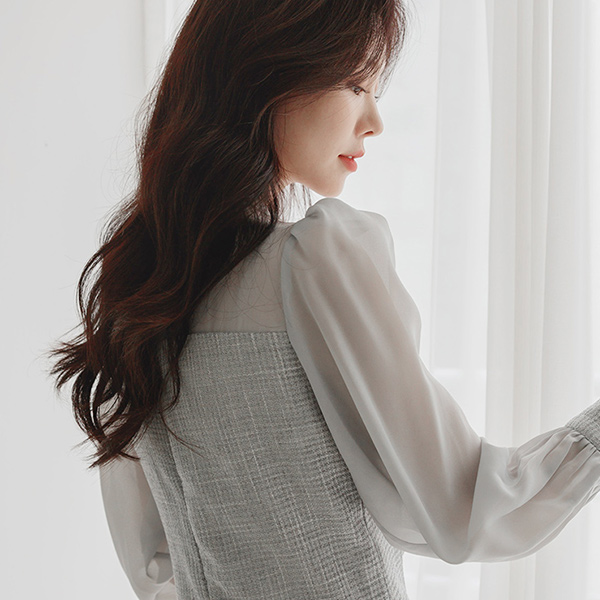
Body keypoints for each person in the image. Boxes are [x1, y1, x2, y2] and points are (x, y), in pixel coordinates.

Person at [48, 0, 600, 599]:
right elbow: (464, 505)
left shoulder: (140, 288)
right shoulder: (313, 262)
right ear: (267, 73)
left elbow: (154, 566)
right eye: (356, 84)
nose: (374, 122)